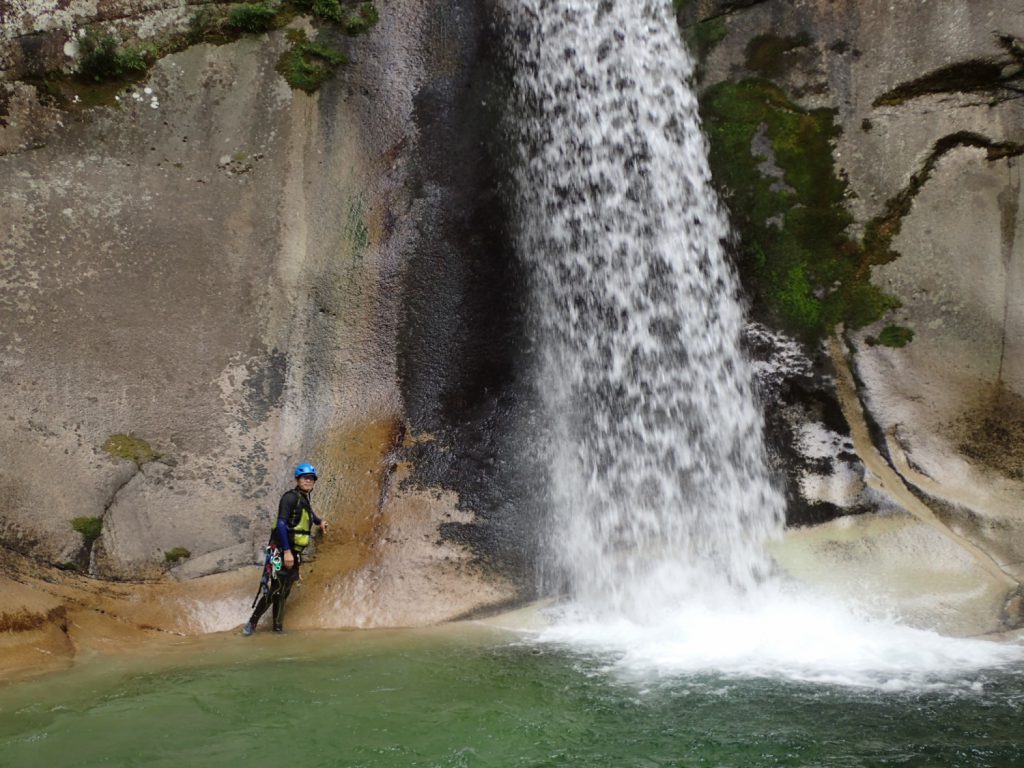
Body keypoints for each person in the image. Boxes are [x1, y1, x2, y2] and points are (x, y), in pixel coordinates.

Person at [243, 463, 328, 635]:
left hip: (293, 552)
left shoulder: (303, 498)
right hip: (281, 551)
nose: (308, 481)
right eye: (305, 478)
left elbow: (308, 514)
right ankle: (252, 623)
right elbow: (281, 524)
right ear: (298, 479)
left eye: (311, 478)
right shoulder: (289, 498)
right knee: (275, 588)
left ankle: (277, 628)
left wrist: (319, 522)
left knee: (284, 590)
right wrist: (287, 552)